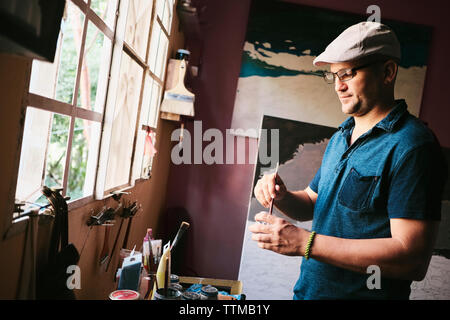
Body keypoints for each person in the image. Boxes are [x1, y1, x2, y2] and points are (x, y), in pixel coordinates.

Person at [249, 21, 448, 299]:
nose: (338, 86)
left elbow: (411, 259)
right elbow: (312, 202)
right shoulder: (342, 135)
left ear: (388, 72)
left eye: (347, 74)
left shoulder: (413, 146)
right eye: (333, 76)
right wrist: (281, 196)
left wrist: (305, 243)